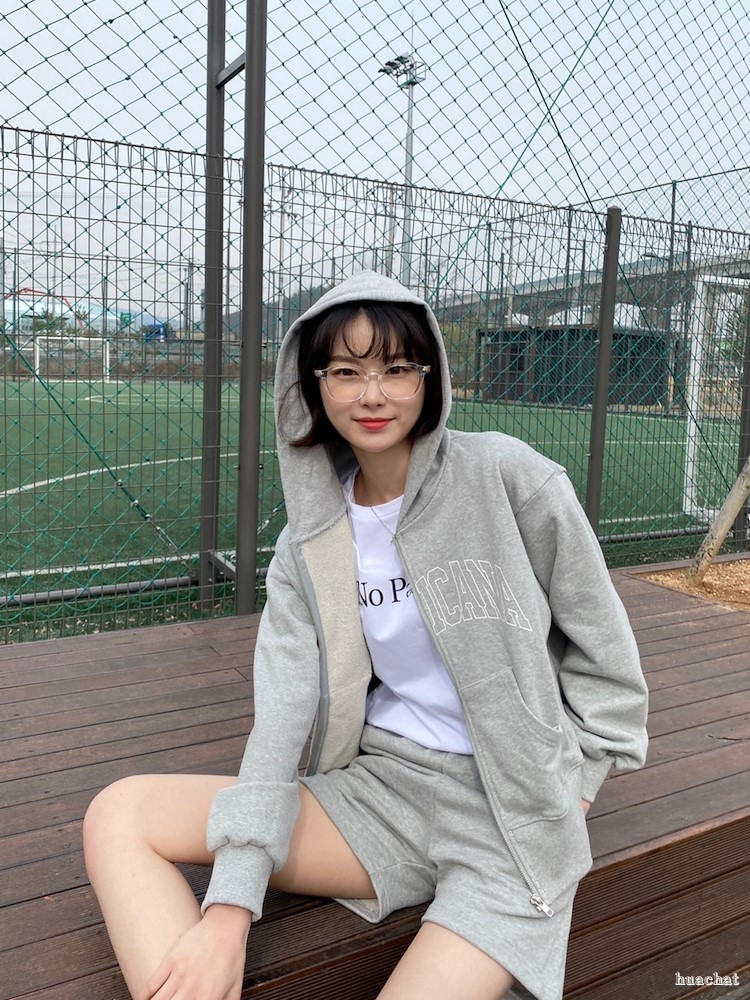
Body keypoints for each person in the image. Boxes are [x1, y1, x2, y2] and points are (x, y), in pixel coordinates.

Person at [83, 271, 649, 1000]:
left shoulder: (510, 477)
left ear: (430, 376)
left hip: (514, 814)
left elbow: (609, 663)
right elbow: (281, 716)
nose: (372, 395)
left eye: (396, 369)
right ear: (313, 385)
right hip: (381, 792)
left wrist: (571, 793)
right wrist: (228, 911)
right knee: (120, 814)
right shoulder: (308, 544)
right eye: (346, 372)